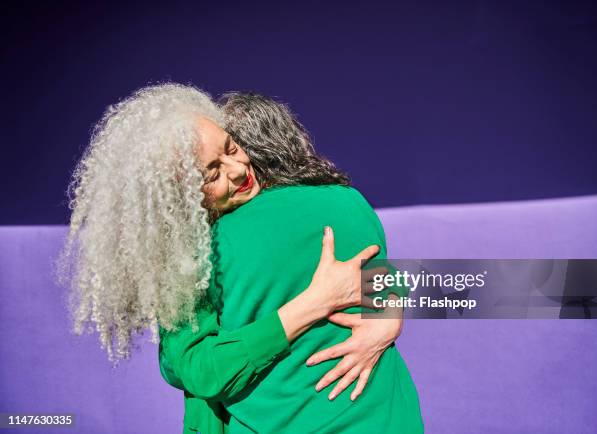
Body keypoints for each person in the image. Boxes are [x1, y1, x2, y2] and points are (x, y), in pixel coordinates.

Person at [57, 83, 422, 434]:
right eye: (212, 173)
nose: (237, 170)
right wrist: (386, 313)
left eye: (232, 147)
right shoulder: (349, 201)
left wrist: (378, 310)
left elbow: (200, 372)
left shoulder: (197, 258)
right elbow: (458, 287)